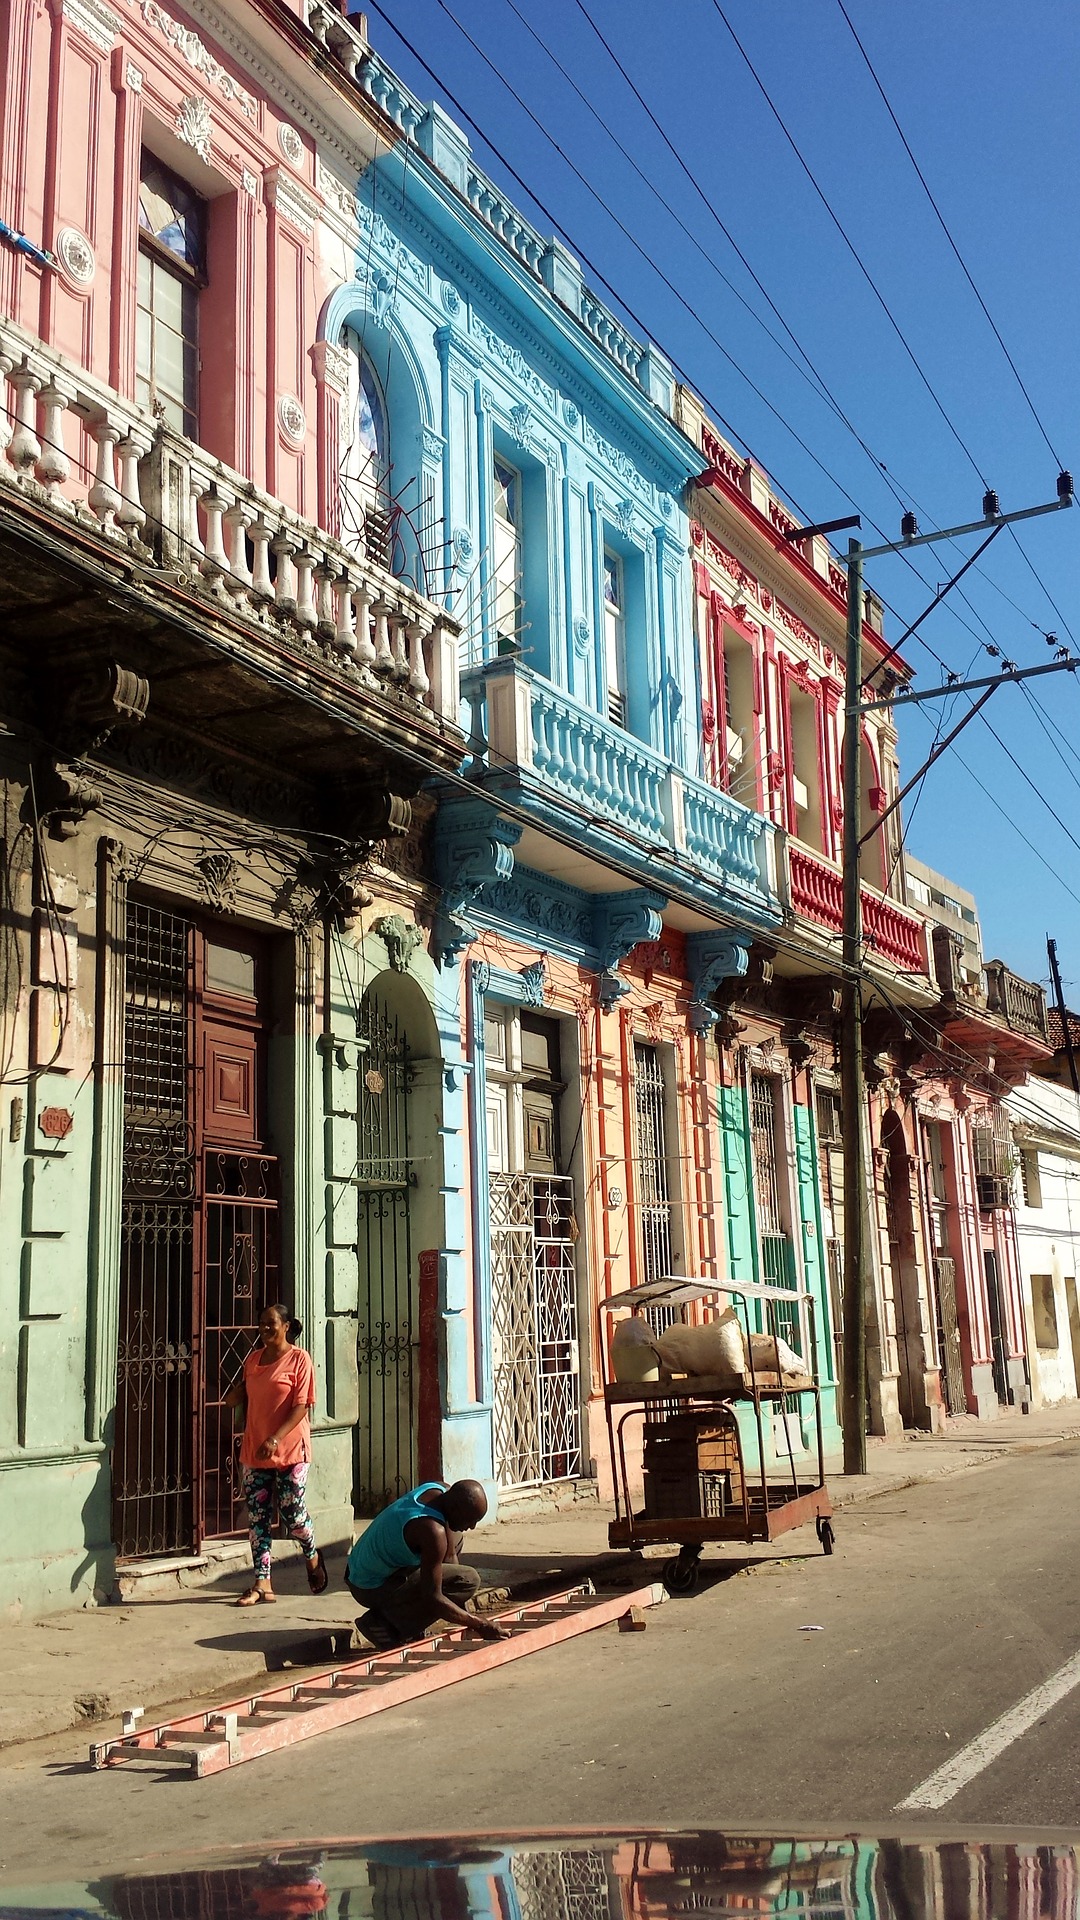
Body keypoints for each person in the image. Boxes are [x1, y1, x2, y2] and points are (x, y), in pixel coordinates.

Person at [224, 1302, 329, 1605]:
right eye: (262, 1323)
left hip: (291, 1451)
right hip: (255, 1451)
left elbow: (301, 1406)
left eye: (271, 1323)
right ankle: (262, 1583)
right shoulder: (253, 1359)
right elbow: (243, 1394)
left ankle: (311, 1552)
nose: (265, 1328)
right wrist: (234, 1397)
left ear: (286, 1326)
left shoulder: (299, 1359)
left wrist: (275, 1438)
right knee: (258, 1518)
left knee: (292, 1514)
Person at [345, 1479, 507, 1647]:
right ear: (455, 1509)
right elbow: (433, 1596)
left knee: (456, 1539)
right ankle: (383, 1623)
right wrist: (479, 1624)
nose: (472, 1527)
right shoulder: (431, 1530)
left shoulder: (440, 1490)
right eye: (470, 1520)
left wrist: (462, 1610)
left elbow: (450, 1555)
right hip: (368, 1587)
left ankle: (405, 1617)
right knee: (468, 1580)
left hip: (359, 1569)